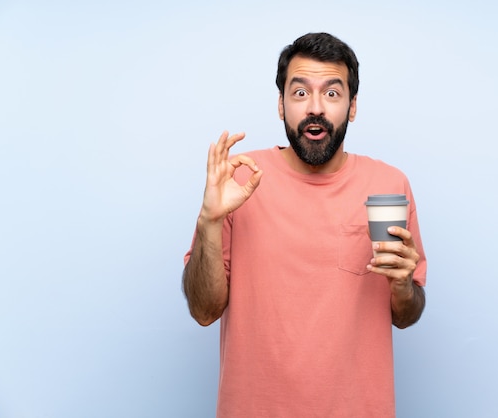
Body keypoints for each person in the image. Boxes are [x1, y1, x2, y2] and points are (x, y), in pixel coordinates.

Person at [182, 32, 427, 418]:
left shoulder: (389, 187)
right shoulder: (240, 178)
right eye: (300, 93)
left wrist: (402, 285)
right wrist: (209, 220)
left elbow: (405, 315)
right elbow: (203, 310)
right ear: (280, 105)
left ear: (353, 106)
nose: (316, 108)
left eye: (332, 94)